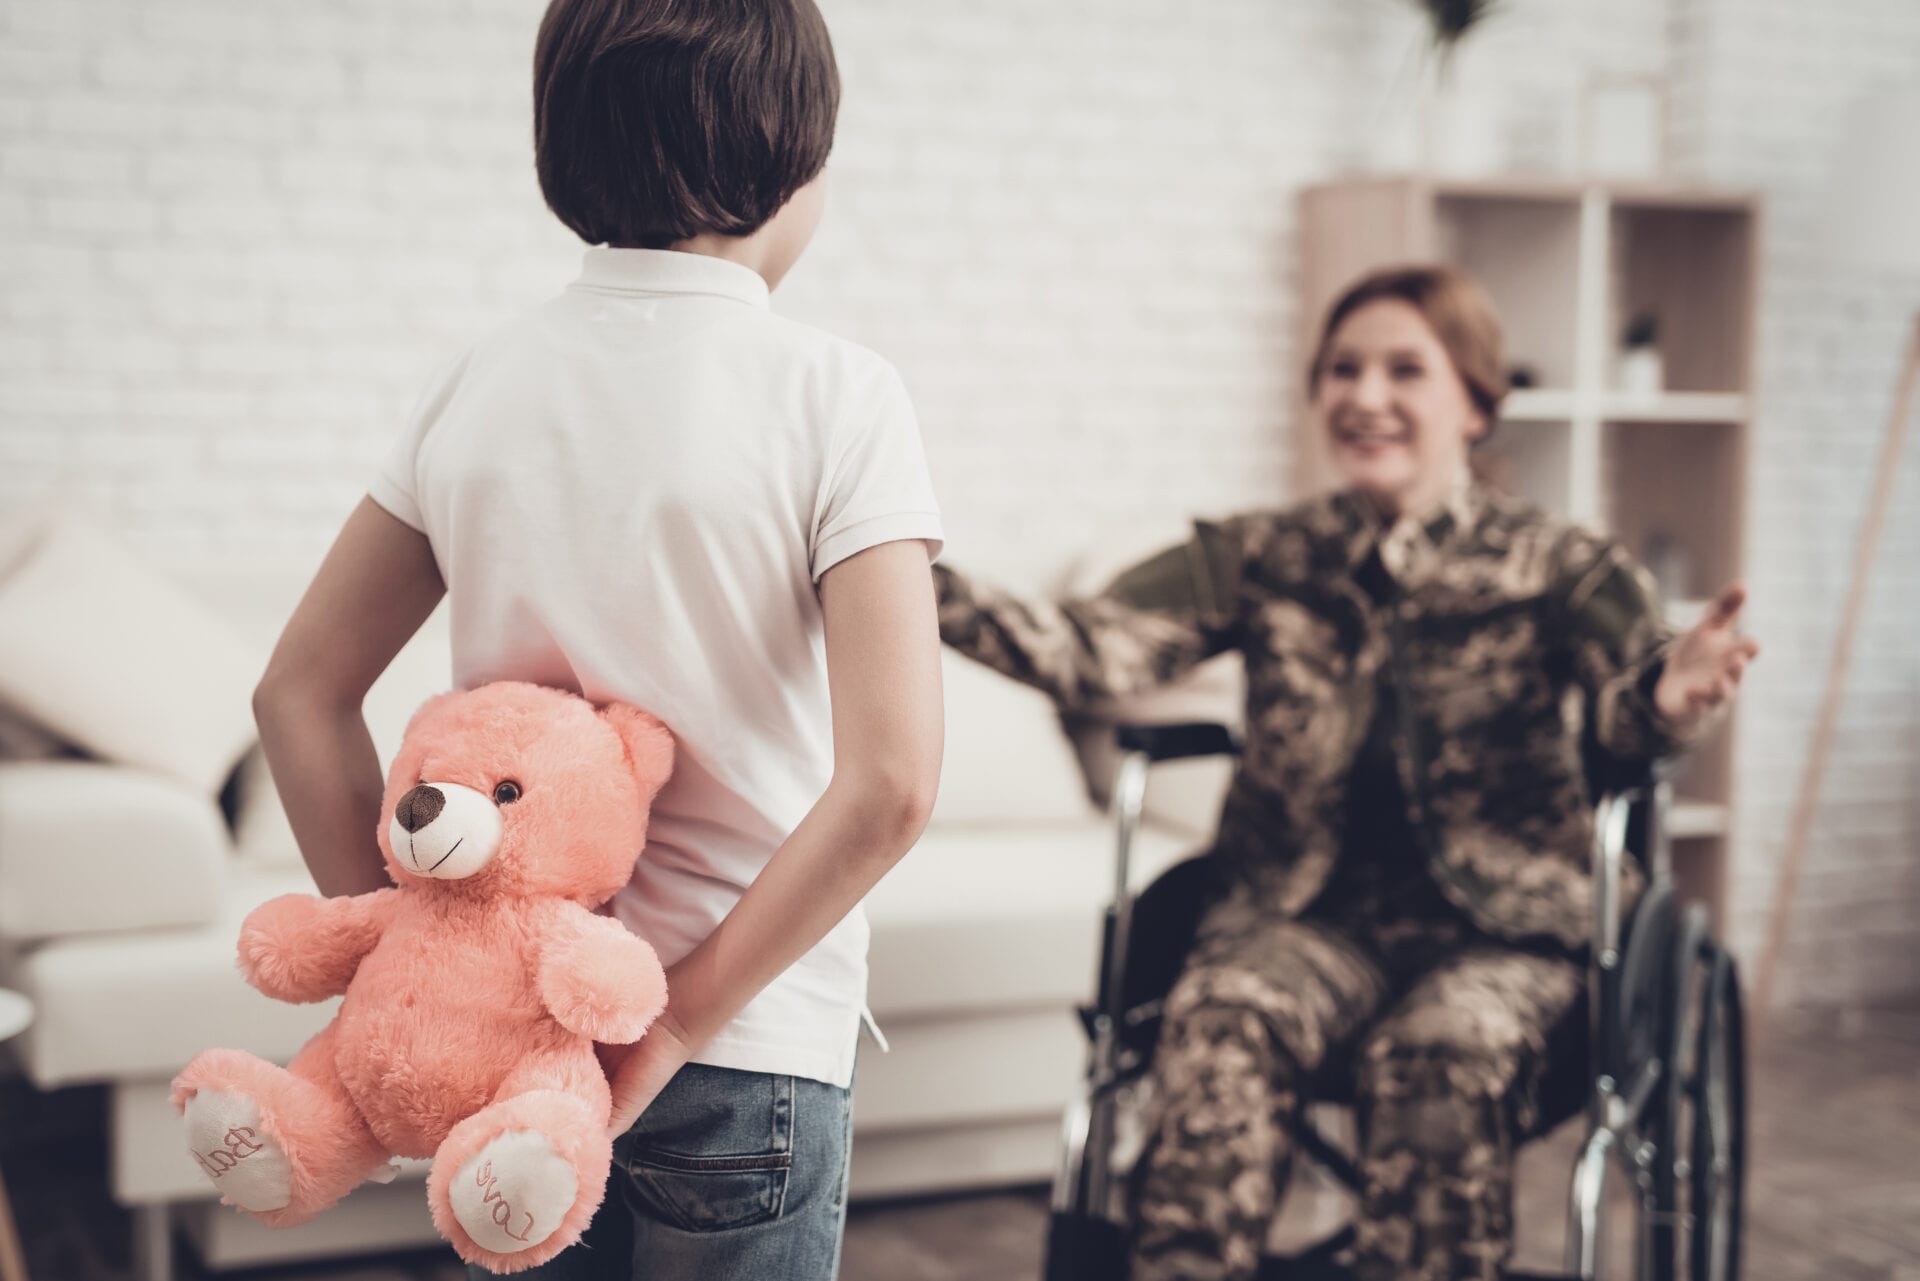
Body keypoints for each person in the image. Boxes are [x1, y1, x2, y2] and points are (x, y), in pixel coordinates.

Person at [246, 1, 945, 1277]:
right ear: (797, 155)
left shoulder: (478, 379)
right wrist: (673, 1024)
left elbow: (298, 692)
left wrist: (419, 959)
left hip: (506, 1049)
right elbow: (892, 787)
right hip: (745, 1046)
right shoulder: (839, 396)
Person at [933, 264, 1758, 1281]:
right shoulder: (1262, 554)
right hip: (1305, 921)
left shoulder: (1560, 563)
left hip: (1511, 938)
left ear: (1477, 401)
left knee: (1439, 1057)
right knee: (1223, 1014)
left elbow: (1634, 709)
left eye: (1404, 369)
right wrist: (906, 577)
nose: (1365, 396)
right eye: (1342, 369)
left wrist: (1669, 699)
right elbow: (1086, 648)